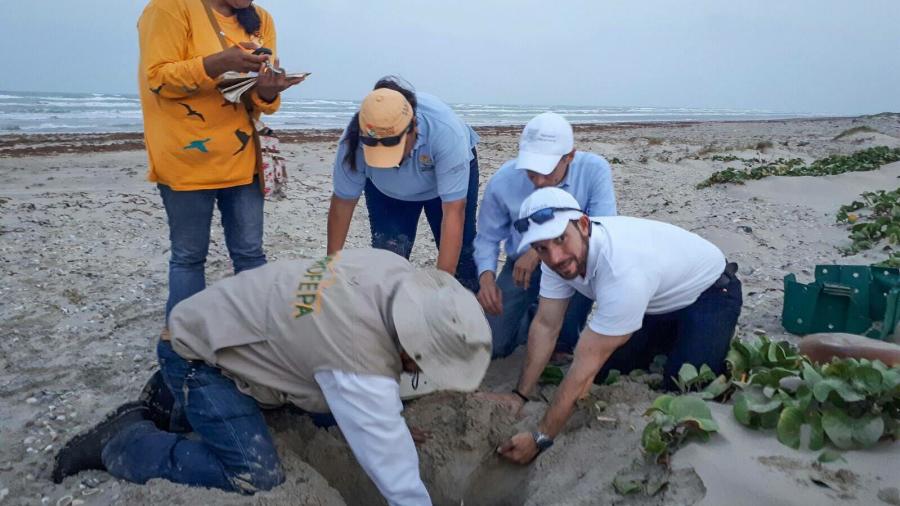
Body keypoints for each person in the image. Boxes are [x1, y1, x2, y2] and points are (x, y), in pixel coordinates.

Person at [53, 249, 492, 505]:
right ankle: (125, 441)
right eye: (425, 363)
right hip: (200, 356)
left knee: (330, 410)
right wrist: (387, 435)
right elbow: (399, 483)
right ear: (411, 342)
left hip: (229, 320)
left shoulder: (393, 269)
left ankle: (169, 402)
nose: (422, 373)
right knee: (253, 476)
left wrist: (386, 422)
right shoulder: (355, 357)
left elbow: (366, 388)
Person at [493, 188, 742, 464]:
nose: (555, 257)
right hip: (653, 302)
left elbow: (584, 364)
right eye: (542, 248)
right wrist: (520, 394)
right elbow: (545, 324)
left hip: (710, 292)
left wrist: (540, 439)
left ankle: (690, 336)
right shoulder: (555, 261)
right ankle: (662, 336)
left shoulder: (621, 269)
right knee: (609, 371)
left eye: (561, 239)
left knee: (683, 388)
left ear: (584, 225)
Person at [138, 0, 304, 320]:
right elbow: (158, 79)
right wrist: (216, 62)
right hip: (187, 161)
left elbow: (259, 101)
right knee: (189, 257)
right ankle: (184, 343)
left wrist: (269, 91)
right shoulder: (169, 8)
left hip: (243, 160)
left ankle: (257, 333)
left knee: (251, 255)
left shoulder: (261, 21)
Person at [474, 112, 617, 358]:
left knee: (561, 346)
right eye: (531, 171)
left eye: (547, 171)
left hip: (575, 263)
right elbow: (487, 237)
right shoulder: (503, 181)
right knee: (493, 345)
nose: (539, 180)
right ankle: (531, 314)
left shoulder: (594, 170)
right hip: (520, 268)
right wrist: (486, 278)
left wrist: (537, 251)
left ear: (569, 157)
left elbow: (604, 229)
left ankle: (546, 316)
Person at [327, 77, 481, 292]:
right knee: (388, 260)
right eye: (376, 148)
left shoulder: (445, 132)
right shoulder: (353, 141)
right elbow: (343, 204)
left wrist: (444, 289)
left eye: (392, 146)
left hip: (441, 187)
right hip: (387, 191)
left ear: (413, 127)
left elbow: (454, 212)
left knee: (463, 260)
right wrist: (330, 268)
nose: (391, 161)